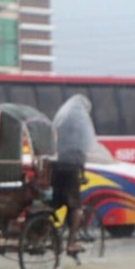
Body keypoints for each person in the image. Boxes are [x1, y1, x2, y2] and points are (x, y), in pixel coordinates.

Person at [52, 94, 94, 257]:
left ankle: (39, 231)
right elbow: (83, 149)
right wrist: (82, 172)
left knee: (53, 202)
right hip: (71, 168)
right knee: (76, 207)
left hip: (56, 166)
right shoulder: (81, 124)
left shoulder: (61, 121)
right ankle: (71, 243)